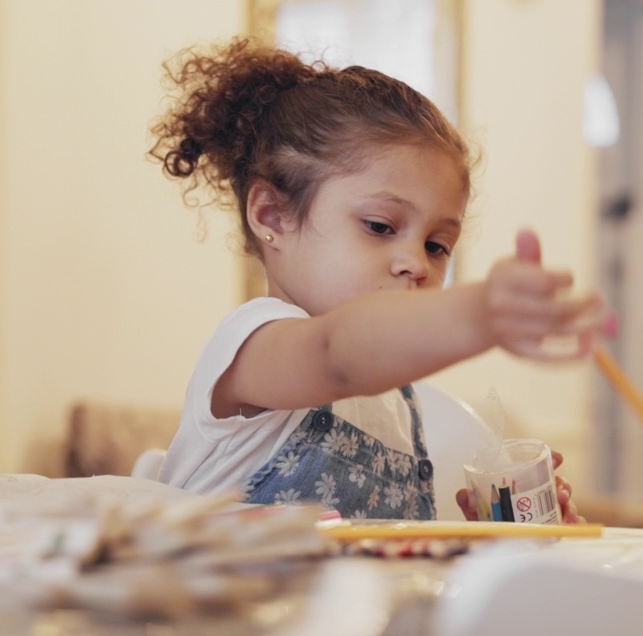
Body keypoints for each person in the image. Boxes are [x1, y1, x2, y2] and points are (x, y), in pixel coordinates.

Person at [149, 38, 606, 523]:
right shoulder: (253, 345)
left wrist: (503, 532)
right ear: (273, 215)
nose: (417, 263)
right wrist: (479, 313)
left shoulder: (402, 407)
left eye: (436, 245)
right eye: (381, 227)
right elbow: (336, 354)